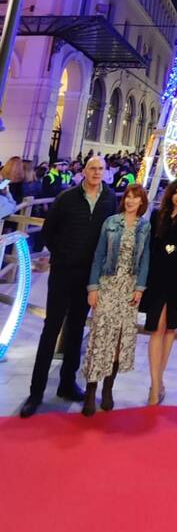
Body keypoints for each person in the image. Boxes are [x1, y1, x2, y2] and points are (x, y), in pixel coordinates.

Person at [20, 157, 116, 418]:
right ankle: (36, 392)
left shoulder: (109, 199)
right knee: (51, 329)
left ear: (105, 172)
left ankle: (67, 383)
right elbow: (48, 232)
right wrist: (62, 254)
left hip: (88, 276)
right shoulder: (67, 198)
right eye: (92, 168)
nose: (96, 172)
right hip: (63, 272)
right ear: (84, 171)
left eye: (101, 169)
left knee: (76, 329)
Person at [81, 183, 150, 416]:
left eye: (136, 197)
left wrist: (140, 288)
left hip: (129, 289)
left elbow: (145, 259)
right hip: (108, 285)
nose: (131, 201)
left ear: (142, 202)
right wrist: (93, 287)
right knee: (100, 337)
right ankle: (91, 389)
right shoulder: (110, 223)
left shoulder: (145, 227)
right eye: (128, 197)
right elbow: (99, 254)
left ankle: (108, 388)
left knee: (120, 340)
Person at [141, 177, 177, 405]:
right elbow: (149, 247)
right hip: (157, 273)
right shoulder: (157, 216)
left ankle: (158, 381)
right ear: (169, 194)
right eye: (176, 192)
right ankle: (155, 384)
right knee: (157, 327)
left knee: (170, 327)